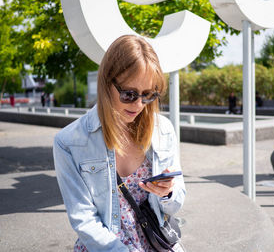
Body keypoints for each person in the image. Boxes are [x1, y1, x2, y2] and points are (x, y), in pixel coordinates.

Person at [53, 35, 186, 252]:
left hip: (158, 243)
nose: (139, 104)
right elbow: (84, 221)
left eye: (147, 95)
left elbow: (176, 202)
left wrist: (167, 193)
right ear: (107, 82)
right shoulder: (68, 142)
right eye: (129, 94)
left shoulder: (163, 129)